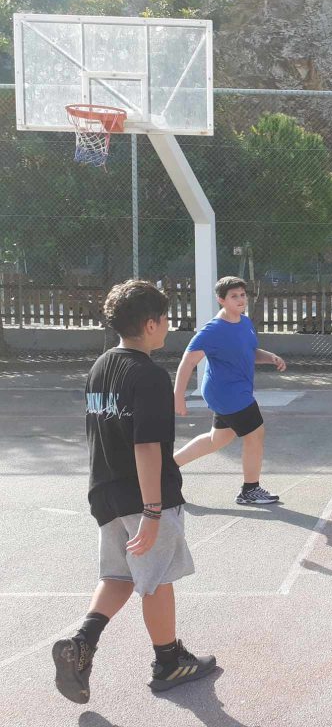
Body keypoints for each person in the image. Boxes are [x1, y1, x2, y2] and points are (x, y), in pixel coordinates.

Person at [53, 280, 215, 704]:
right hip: (142, 495)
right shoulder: (149, 375)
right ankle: (168, 661)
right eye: (166, 318)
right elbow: (146, 446)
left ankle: (81, 644)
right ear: (150, 323)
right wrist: (153, 509)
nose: (169, 326)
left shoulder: (100, 367)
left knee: (118, 575)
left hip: (105, 492)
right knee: (156, 579)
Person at [172, 276, 286, 505]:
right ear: (221, 300)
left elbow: (248, 351)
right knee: (255, 434)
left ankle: (168, 466)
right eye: (234, 296)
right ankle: (250, 490)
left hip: (233, 391)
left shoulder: (244, 322)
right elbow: (188, 361)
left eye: (242, 295)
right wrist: (178, 397)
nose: (241, 299)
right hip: (228, 393)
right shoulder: (213, 330)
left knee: (218, 439)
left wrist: (270, 357)